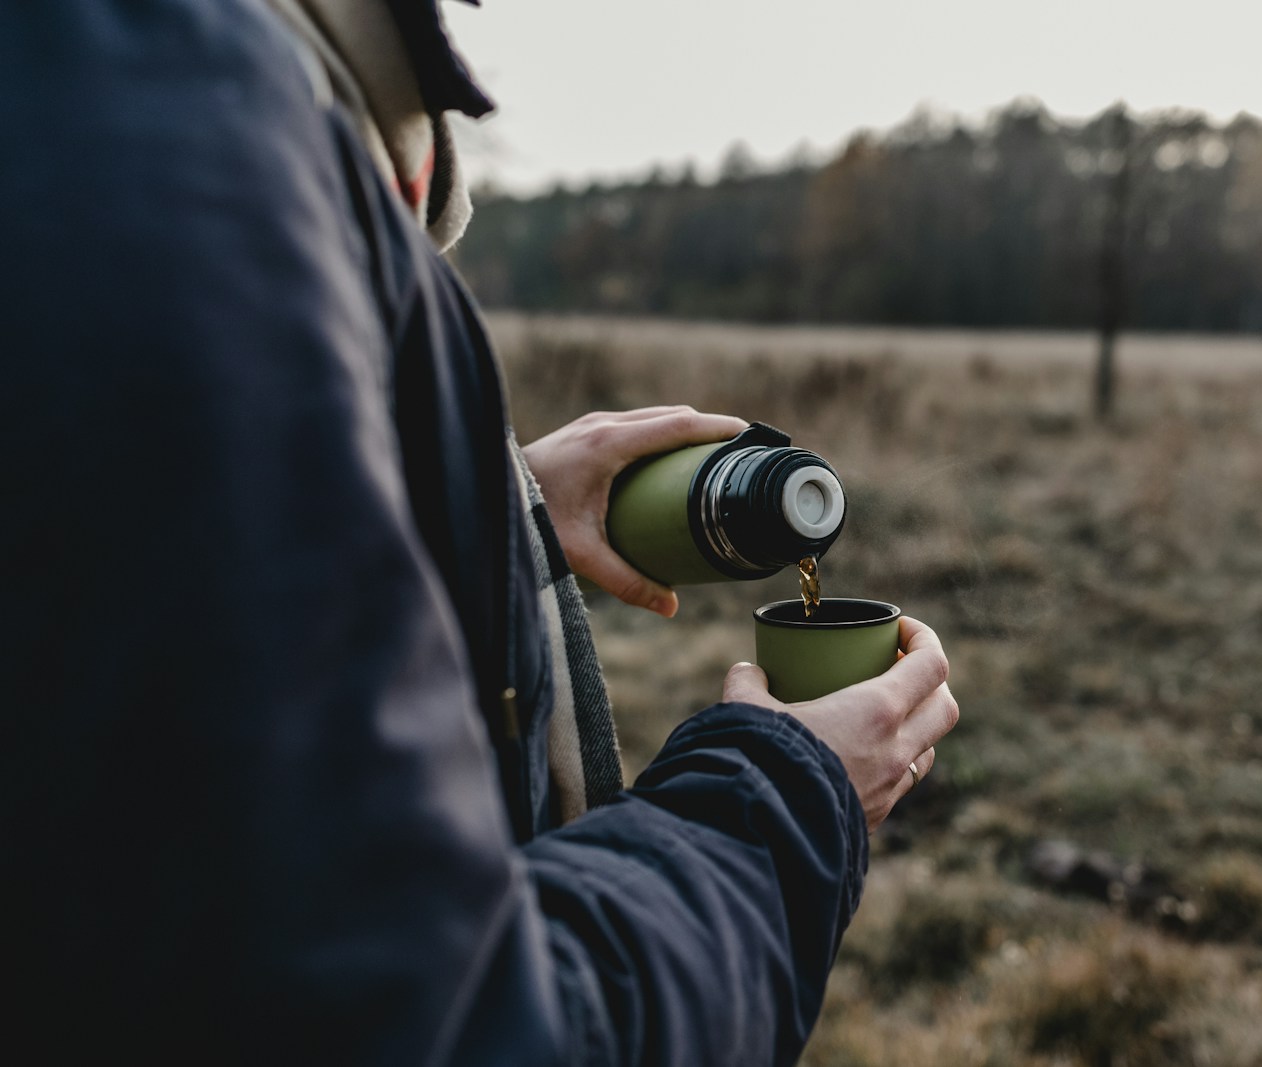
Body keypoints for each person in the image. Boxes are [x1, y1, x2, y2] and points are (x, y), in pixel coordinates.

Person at [0, 1, 959, 1065]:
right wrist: (784, 801)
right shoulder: (167, 113)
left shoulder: (212, 90)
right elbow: (415, 1019)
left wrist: (487, 514)